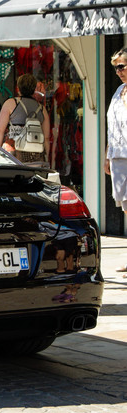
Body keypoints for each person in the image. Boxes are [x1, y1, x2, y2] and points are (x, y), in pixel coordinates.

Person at [0, 73, 50, 165]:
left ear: (18, 88)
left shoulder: (10, 103)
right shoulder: (42, 109)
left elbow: (0, 130)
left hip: (14, 152)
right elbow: (46, 138)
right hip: (36, 155)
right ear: (34, 89)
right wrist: (46, 158)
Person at [105, 48, 127, 275]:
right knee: (125, 205)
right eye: (116, 68)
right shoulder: (119, 91)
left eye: (122, 66)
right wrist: (106, 155)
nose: (118, 71)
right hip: (119, 154)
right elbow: (111, 125)